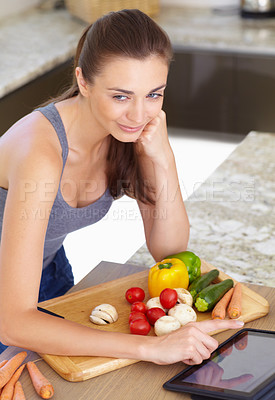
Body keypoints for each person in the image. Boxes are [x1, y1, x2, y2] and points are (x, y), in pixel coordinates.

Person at [0, 9, 243, 362]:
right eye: (120, 96)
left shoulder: (128, 129)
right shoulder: (41, 152)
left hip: (47, 278)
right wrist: (151, 347)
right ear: (83, 81)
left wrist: (162, 156)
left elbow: (169, 250)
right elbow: (13, 323)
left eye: (154, 94)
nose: (139, 114)